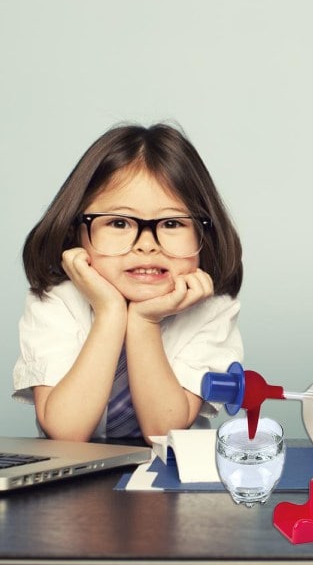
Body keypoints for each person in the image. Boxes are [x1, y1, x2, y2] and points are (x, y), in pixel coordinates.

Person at [13, 123, 243, 443]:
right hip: (72, 481)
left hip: (169, 478)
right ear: (75, 231)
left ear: (205, 234)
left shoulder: (211, 310)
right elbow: (66, 429)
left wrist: (144, 321)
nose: (146, 244)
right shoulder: (56, 302)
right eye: (119, 222)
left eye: (172, 223)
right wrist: (109, 313)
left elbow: (165, 433)